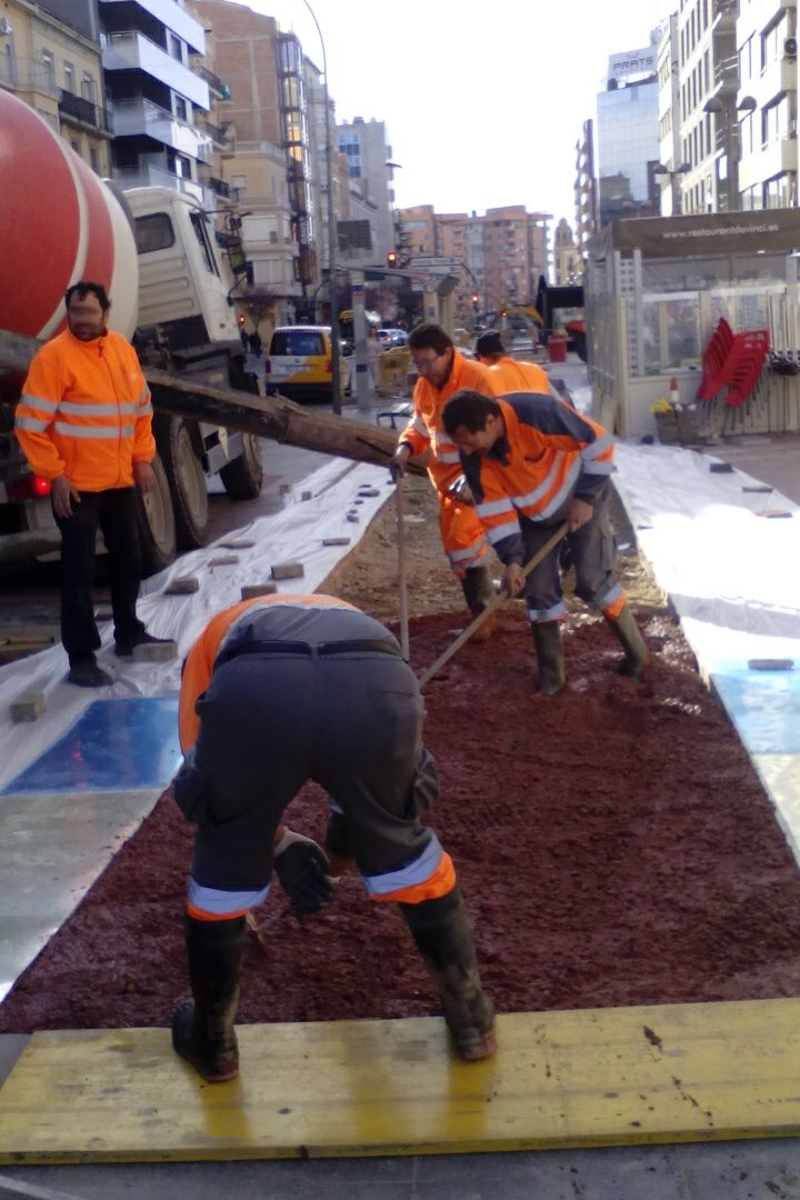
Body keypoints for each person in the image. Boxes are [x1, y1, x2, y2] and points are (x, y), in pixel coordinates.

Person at [170, 593, 497, 1083]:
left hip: (255, 684)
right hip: (373, 678)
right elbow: (358, 791)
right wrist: (335, 859)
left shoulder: (212, 639)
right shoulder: (342, 611)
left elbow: (208, 785)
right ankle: (470, 1018)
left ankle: (213, 1041)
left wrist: (275, 843)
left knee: (222, 848)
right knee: (399, 831)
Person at [441, 390, 649, 694]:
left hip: (580, 499)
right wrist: (512, 561)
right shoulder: (475, 457)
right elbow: (494, 510)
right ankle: (552, 681)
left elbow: (600, 442)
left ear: (490, 420)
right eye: (460, 444)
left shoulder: (538, 412)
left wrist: (585, 497)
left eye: (469, 440)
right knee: (537, 592)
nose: (466, 450)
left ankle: (638, 657)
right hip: (534, 517)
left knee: (593, 581)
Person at [14, 281, 170, 687]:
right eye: (75, 313)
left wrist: (142, 460)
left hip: (119, 481)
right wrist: (56, 476)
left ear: (106, 312)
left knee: (129, 561)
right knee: (79, 573)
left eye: (89, 313)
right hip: (77, 487)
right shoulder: (53, 358)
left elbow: (141, 411)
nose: (82, 321)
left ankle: (129, 633)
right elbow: (30, 427)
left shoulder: (121, 349)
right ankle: (81, 656)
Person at [389, 323, 499, 627]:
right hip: (448, 484)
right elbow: (421, 426)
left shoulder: (477, 379)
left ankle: (485, 614)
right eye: (418, 363)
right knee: (459, 547)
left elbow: (496, 433)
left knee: (465, 541)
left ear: (448, 353)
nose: (423, 370)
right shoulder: (424, 386)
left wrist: (476, 476)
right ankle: (489, 604)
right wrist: (405, 449)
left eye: (428, 362)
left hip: (479, 477)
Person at [475, 329, 564, 401]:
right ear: (503, 352)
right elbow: (559, 404)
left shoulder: (487, 378)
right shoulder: (535, 369)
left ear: (480, 357)